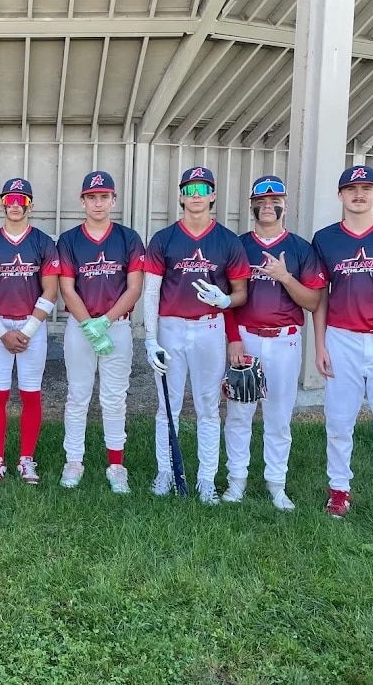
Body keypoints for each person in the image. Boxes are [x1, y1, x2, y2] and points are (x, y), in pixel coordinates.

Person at [142, 166, 250, 504]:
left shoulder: (227, 240)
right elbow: (150, 292)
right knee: (167, 406)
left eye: (203, 189)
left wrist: (225, 300)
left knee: (207, 406)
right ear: (181, 196)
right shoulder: (164, 238)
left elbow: (242, 292)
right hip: (172, 326)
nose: (196, 196)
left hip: (209, 328)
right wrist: (150, 337)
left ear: (213, 195)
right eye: (190, 190)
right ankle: (165, 471)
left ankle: (206, 479)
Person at [222, 175, 323, 511]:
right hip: (247, 338)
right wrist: (233, 339)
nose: (267, 206)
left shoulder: (299, 247)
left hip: (285, 341)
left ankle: (276, 484)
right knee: (239, 412)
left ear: (285, 205)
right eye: (260, 201)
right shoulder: (239, 246)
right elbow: (227, 300)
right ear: (251, 205)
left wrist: (284, 276)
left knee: (278, 416)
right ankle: (236, 481)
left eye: (274, 200)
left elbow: (312, 301)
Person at [56, 171, 145, 493]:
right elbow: (66, 288)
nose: (98, 203)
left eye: (104, 197)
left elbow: (134, 287)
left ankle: (116, 464)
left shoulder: (128, 238)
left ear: (113, 200)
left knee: (114, 399)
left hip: (117, 327)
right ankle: (74, 460)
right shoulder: (69, 239)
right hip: (80, 328)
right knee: (77, 396)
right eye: (92, 197)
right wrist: (89, 326)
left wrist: (105, 322)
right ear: (82, 201)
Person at [0, 179, 60, 484]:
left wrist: (29, 329)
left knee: (30, 395)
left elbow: (50, 291)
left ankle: (26, 460)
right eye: (10, 198)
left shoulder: (43, 242)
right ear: (1, 203)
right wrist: (1, 331)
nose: (15, 204)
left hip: (31, 326)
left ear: (30, 204)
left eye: (22, 199)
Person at [312, 165, 373, 519]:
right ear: (340, 195)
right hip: (341, 337)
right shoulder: (326, 238)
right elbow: (320, 296)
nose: (359, 194)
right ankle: (339, 490)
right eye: (352, 188)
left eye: (367, 187)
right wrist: (321, 345)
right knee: (339, 421)